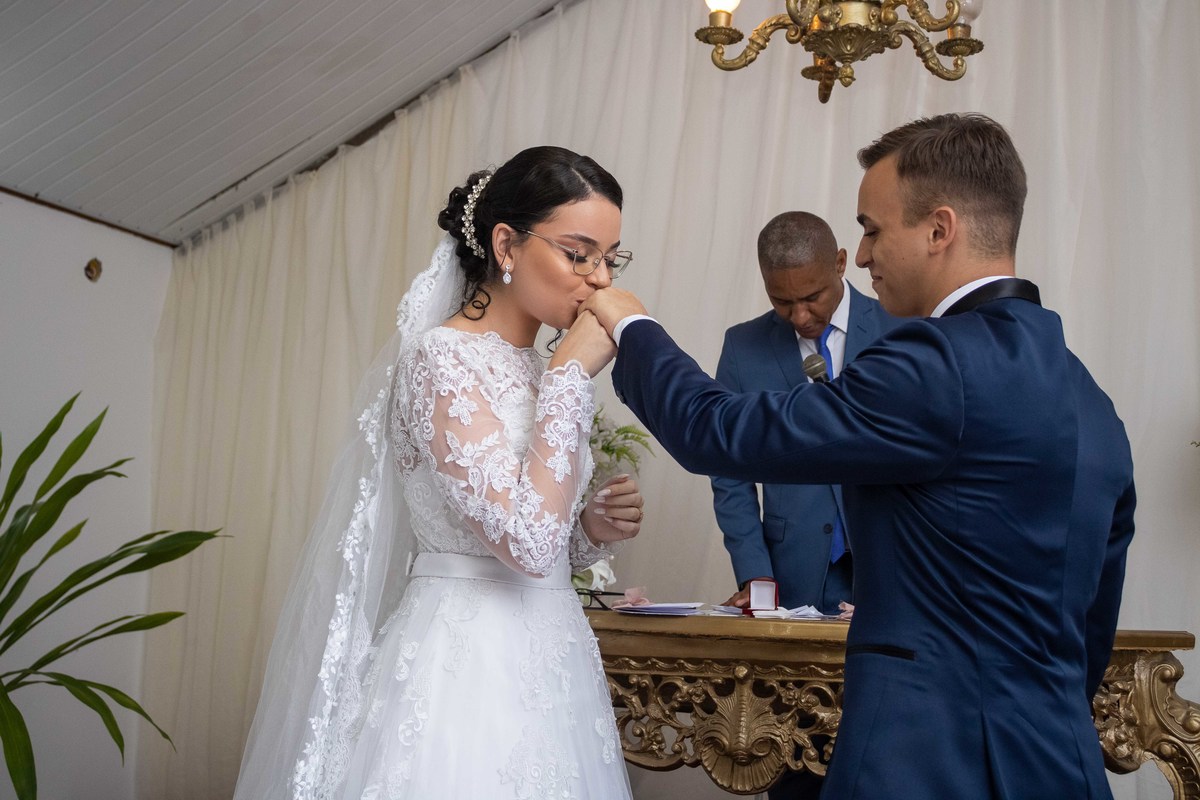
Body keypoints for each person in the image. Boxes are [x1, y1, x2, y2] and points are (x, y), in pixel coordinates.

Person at [582, 113, 1135, 799]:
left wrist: (630, 324)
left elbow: (717, 432)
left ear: (939, 229)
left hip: (925, 766)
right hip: (1062, 765)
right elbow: (1091, 627)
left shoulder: (933, 363)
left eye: (872, 229)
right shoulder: (1093, 402)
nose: (865, 255)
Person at [232, 146, 643, 799]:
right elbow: (524, 545)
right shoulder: (441, 361)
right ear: (505, 245)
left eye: (610, 259)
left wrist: (588, 528)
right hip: (465, 665)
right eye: (578, 254)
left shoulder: (541, 370)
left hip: (552, 657)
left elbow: (541, 540)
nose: (599, 281)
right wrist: (570, 375)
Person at [713, 211, 899, 621]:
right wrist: (755, 576)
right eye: (782, 302)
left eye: (813, 297)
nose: (799, 317)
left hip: (894, 572)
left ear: (840, 263)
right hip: (790, 575)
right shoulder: (742, 348)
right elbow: (729, 473)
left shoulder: (901, 328)